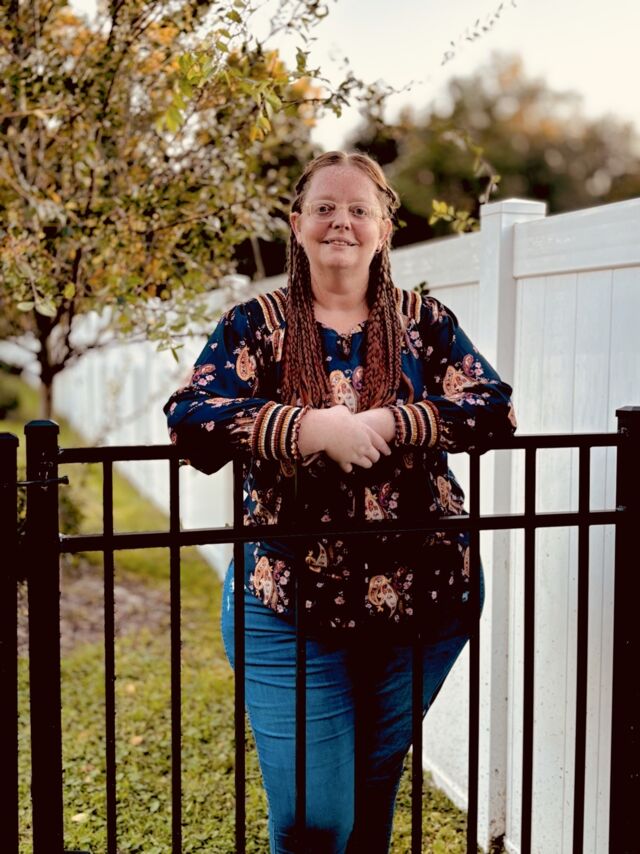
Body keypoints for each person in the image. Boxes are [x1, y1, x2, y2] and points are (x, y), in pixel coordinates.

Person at [164, 150, 516, 853]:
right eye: (325, 208)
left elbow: (494, 410)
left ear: (384, 229)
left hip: (423, 602)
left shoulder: (424, 323)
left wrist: (394, 420)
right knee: (314, 817)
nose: (341, 223)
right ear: (297, 224)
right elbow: (190, 420)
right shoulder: (255, 325)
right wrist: (308, 427)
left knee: (370, 787)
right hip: (287, 600)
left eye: (360, 210)